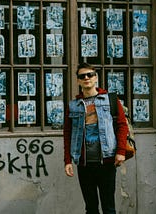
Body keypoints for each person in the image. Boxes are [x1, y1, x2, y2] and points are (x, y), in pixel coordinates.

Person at [64, 62, 129, 214]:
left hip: (106, 161)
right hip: (84, 163)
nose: (86, 78)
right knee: (91, 208)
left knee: (109, 208)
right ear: (78, 81)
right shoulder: (73, 105)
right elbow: (67, 133)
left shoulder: (110, 100)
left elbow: (122, 125)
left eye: (90, 75)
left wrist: (121, 151)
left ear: (96, 78)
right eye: (82, 76)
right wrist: (67, 160)